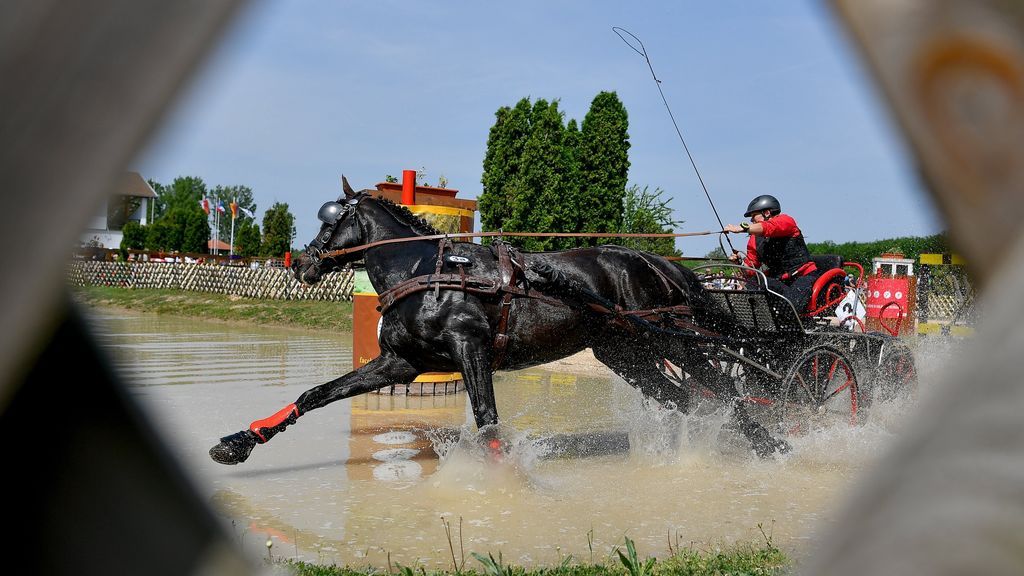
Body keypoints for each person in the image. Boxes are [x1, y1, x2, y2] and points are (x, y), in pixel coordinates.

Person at [723, 194, 821, 312]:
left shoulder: (786, 221)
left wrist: (743, 228)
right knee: (754, 282)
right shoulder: (754, 239)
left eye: (754, 215)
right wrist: (739, 262)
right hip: (779, 280)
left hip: (804, 276)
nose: (751, 220)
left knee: (790, 307)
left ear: (767, 213)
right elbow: (750, 269)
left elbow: (770, 227)